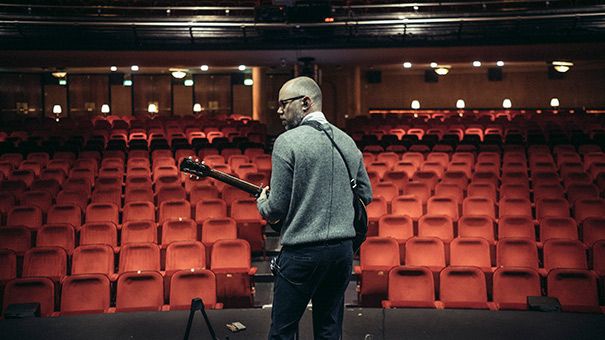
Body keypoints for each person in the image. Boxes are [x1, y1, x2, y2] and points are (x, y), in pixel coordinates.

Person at [256, 76, 372, 340]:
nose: (279, 110)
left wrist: (262, 201)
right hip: (342, 254)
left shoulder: (287, 142)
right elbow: (366, 194)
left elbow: (275, 209)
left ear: (306, 102)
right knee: (329, 330)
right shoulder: (347, 142)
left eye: (284, 104)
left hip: (302, 254)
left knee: (282, 332)